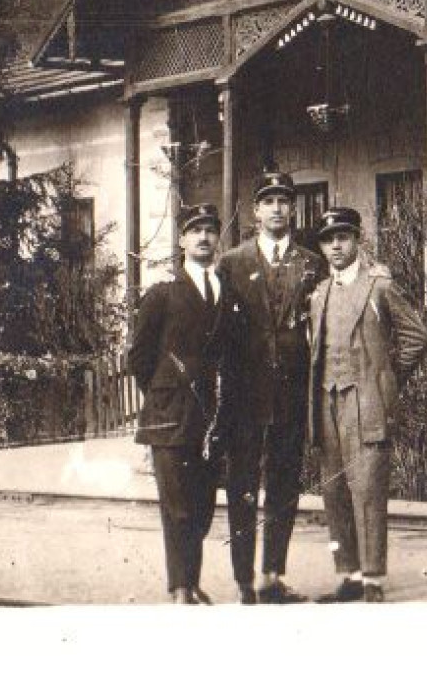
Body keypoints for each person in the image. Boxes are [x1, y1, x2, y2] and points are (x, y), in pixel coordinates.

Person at [306, 207, 427, 603]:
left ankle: (373, 578)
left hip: (366, 405)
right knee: (335, 491)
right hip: (327, 403)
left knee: (368, 489)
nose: (336, 246)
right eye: (328, 240)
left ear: (357, 239)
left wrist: (387, 379)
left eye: (343, 237)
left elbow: (416, 335)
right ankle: (349, 574)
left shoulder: (378, 286)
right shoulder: (320, 293)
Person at [218, 171, 323, 604]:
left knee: (284, 484)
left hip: (291, 395)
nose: (277, 208)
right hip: (245, 396)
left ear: (292, 209)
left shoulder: (311, 262)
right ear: (256, 211)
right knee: (242, 485)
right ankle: (245, 580)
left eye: (284, 200)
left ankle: (272, 575)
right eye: (269, 201)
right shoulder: (233, 262)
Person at [125, 203, 227, 605]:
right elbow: (139, 356)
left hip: (207, 416)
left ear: (218, 239)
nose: (203, 237)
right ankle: (179, 586)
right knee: (177, 505)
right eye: (195, 230)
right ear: (182, 240)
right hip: (169, 416)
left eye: (210, 230)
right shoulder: (163, 292)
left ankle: (192, 580)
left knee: (202, 506)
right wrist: (164, 393)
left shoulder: (224, 290)